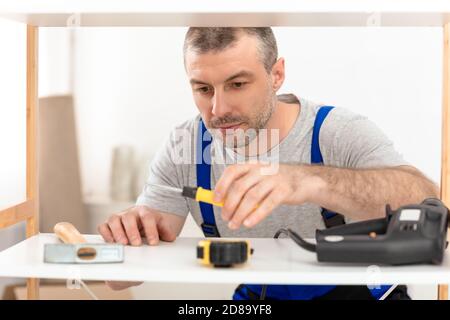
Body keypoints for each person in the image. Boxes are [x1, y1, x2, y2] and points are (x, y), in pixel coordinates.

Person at [98, 27, 438, 299]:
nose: (217, 110)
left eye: (237, 84)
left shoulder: (336, 132)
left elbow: (429, 202)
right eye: (203, 89)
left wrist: (308, 181)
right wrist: (123, 245)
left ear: (277, 74)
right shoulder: (184, 145)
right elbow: (122, 280)